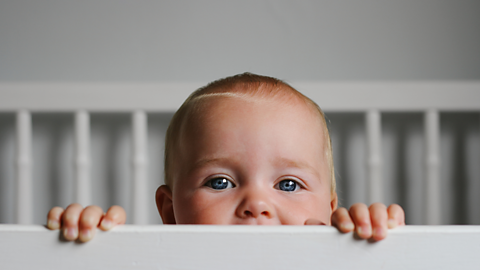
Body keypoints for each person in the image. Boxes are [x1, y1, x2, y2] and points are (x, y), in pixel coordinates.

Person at [47, 73, 405, 242]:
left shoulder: (338, 260)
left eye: (289, 184)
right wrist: (87, 248)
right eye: (220, 182)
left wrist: (374, 249)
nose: (256, 205)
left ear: (330, 210)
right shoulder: (152, 263)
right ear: (170, 212)